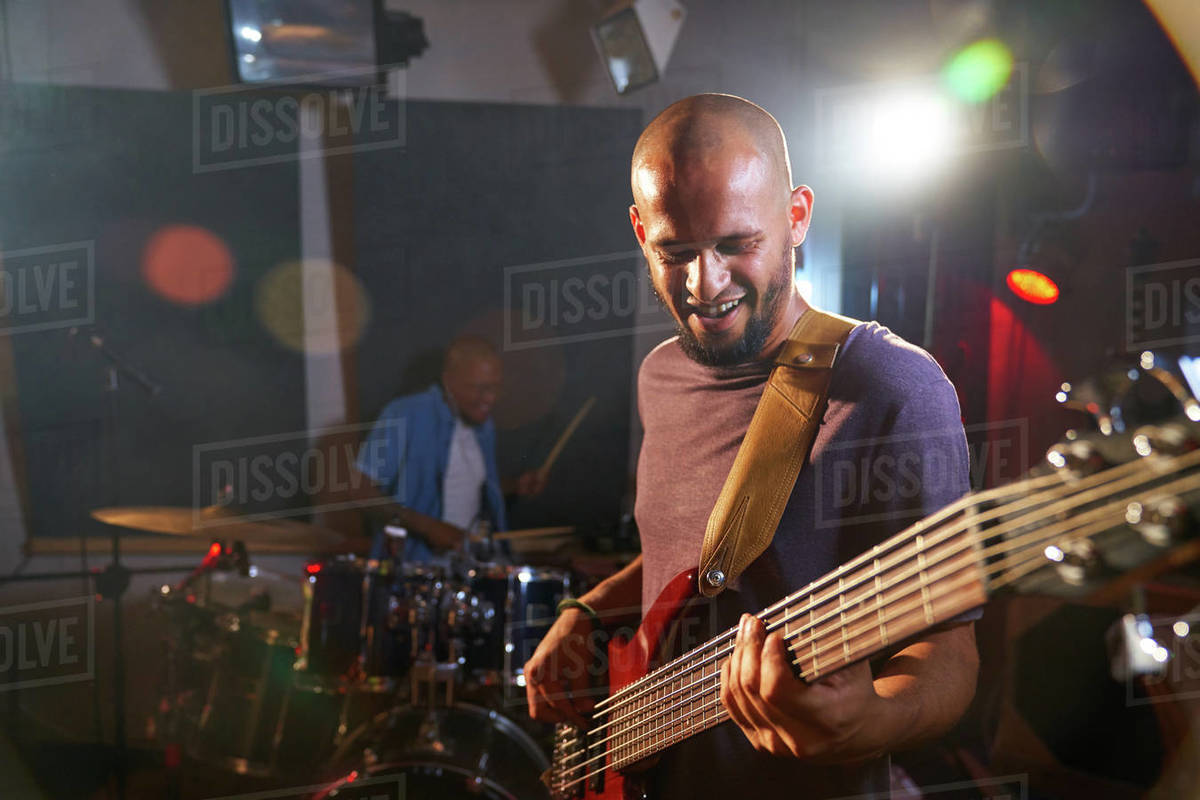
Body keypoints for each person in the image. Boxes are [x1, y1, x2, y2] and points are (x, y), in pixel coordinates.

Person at [524, 94, 980, 797]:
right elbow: (689, 549)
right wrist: (587, 613)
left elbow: (949, 643)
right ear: (640, 231)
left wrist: (871, 721)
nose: (705, 285)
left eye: (737, 245)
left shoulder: (891, 387)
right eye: (675, 252)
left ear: (796, 218)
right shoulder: (660, 375)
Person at [354, 335, 545, 563]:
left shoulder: (484, 426)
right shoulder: (406, 414)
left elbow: (462, 485)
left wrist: (516, 485)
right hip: (414, 570)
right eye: (480, 389)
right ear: (448, 381)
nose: (490, 399)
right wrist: (427, 527)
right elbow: (360, 492)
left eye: (496, 388)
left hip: (469, 565)